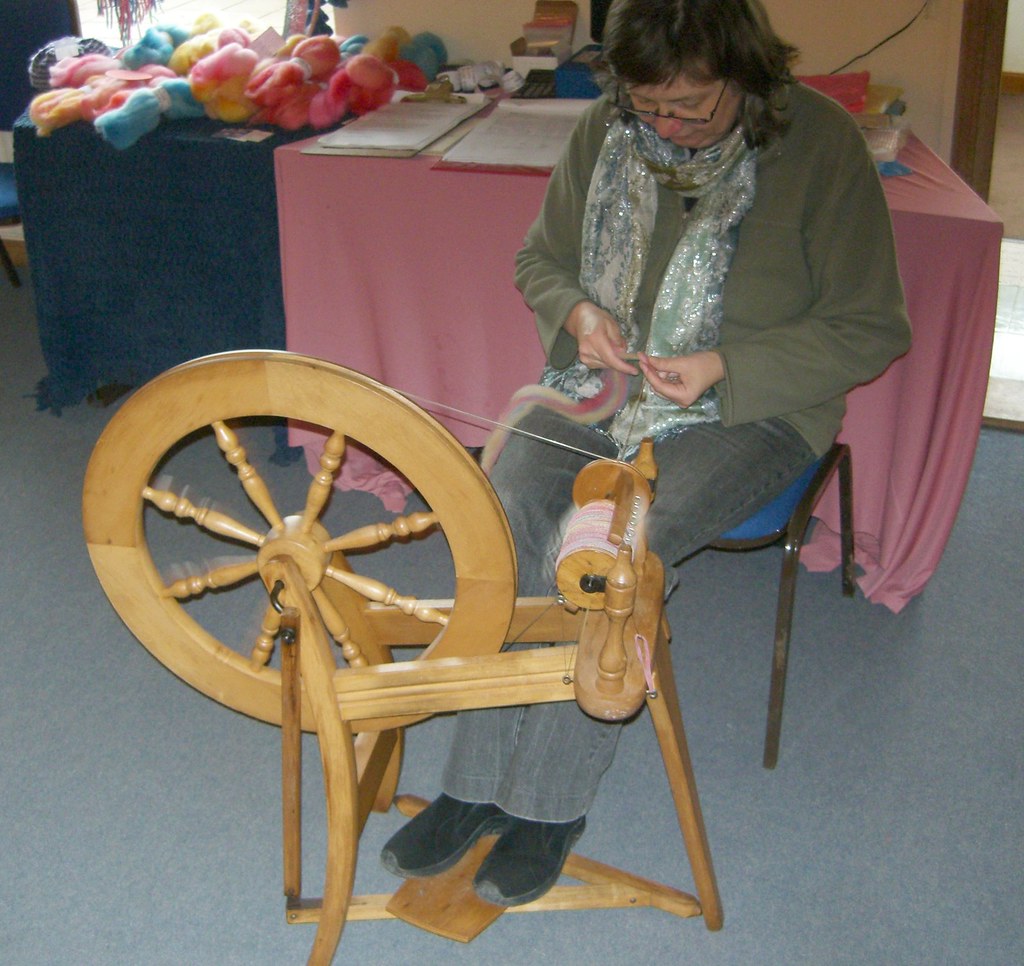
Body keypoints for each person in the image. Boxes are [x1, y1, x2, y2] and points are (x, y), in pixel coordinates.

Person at [381, 0, 911, 906]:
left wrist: (723, 366)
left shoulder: (820, 144)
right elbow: (540, 260)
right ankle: (473, 782)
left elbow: (871, 328)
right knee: (503, 517)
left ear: (745, 75)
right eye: (647, 105)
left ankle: (546, 802)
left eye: (693, 108)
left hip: (753, 408)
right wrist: (577, 315)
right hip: (606, 387)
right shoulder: (608, 127)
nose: (666, 124)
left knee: (611, 553)